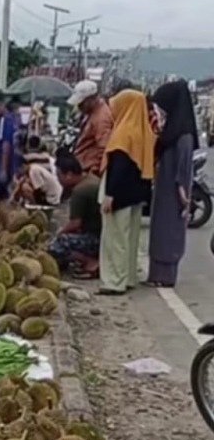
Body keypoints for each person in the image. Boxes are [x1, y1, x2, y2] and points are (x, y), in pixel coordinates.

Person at [98, 89, 156, 296]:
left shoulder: (123, 133)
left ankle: (114, 281)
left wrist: (110, 195)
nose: (113, 109)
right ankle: (128, 277)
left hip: (119, 195)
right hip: (137, 194)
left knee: (115, 239)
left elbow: (119, 167)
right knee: (130, 239)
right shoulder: (145, 132)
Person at [145, 80, 198, 287]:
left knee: (169, 232)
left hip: (174, 193)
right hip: (164, 188)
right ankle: (156, 274)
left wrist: (183, 192)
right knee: (159, 231)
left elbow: (184, 168)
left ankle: (165, 277)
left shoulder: (183, 135)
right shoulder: (171, 132)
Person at [48, 155, 102, 277]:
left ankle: (92, 263)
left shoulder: (80, 191)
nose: (58, 180)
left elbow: (75, 223)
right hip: (102, 235)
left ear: (69, 175)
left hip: (96, 239)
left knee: (56, 245)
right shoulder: (91, 179)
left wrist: (59, 234)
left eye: (59, 176)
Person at [68, 80, 114, 176]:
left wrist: (94, 171)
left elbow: (103, 148)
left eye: (82, 102)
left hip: (89, 170)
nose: (79, 106)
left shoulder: (101, 118)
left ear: (91, 99)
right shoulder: (92, 113)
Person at [14, 136, 62, 206]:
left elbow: (38, 189)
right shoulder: (46, 157)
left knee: (25, 187)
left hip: (51, 199)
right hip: (54, 194)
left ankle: (35, 207)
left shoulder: (33, 169)